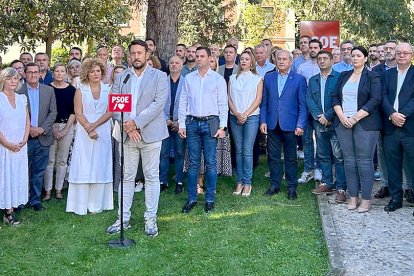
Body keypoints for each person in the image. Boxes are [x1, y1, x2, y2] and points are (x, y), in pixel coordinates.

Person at [107, 39, 168, 237]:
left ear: (147, 55)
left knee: (151, 177)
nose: (136, 56)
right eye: (133, 53)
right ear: (129, 56)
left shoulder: (159, 76)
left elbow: (158, 104)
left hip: (150, 134)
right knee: (126, 177)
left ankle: (150, 218)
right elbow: (116, 106)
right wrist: (127, 126)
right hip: (126, 135)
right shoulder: (122, 77)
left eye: (140, 53)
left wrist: (137, 123)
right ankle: (123, 218)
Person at [332, 46, 381, 213]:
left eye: (358, 55)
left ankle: (366, 200)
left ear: (365, 58)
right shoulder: (344, 75)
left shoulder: (372, 76)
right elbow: (334, 97)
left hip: (365, 124)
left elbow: (375, 99)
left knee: (365, 161)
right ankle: (353, 197)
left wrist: (354, 118)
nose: (354, 58)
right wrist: (342, 116)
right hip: (343, 122)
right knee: (349, 161)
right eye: (353, 55)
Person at [178, 46, 228, 213]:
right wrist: (182, 124)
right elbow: (183, 102)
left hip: (211, 123)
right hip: (192, 123)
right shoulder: (189, 78)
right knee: (193, 163)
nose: (198, 59)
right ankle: (192, 198)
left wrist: (223, 127)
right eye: (196, 56)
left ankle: (210, 199)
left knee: (211, 163)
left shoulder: (218, 79)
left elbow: (223, 104)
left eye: (202, 56)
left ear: (209, 58)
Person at [66, 59, 113, 215]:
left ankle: (97, 204)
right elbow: (78, 112)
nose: (95, 74)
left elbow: (110, 111)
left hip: (103, 129)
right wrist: (88, 127)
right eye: (92, 71)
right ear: (87, 72)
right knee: (84, 164)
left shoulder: (109, 89)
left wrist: (95, 125)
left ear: (102, 72)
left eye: (98, 71)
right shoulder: (81, 89)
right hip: (84, 130)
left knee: (100, 163)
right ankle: (80, 205)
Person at [260, 50, 307, 200]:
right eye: (279, 59)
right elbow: (264, 102)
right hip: (273, 123)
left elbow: (302, 104)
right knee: (273, 156)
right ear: (275, 60)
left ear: (290, 62)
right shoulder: (268, 77)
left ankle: (292, 187)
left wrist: (300, 124)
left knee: (291, 157)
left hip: (291, 124)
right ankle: (275, 185)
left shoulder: (299, 79)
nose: (281, 61)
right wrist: (263, 121)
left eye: (284, 59)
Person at [307, 50, 347, 203]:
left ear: (332, 60)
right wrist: (319, 116)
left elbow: (341, 99)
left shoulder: (340, 78)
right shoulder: (313, 80)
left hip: (335, 122)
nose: (322, 61)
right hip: (319, 123)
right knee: (323, 154)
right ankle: (327, 183)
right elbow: (309, 99)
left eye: (325, 58)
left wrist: (328, 116)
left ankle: (342, 188)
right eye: (320, 59)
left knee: (339, 156)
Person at [17, 63, 57, 211]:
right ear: (25, 74)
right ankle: (20, 200)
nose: (33, 75)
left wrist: (41, 129)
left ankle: (35, 201)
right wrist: (30, 130)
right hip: (24, 138)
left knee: (39, 171)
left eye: (36, 72)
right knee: (23, 170)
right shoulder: (18, 92)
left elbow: (53, 112)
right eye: (30, 72)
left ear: (40, 74)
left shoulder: (48, 91)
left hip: (43, 136)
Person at [381, 42, 414, 213]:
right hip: (390, 127)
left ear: (411, 55)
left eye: (405, 53)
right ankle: (396, 198)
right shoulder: (387, 74)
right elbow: (383, 96)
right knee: (393, 165)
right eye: (399, 52)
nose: (402, 55)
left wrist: (402, 115)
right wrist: (392, 114)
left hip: (410, 128)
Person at [228, 50, 263, 196]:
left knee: (247, 151)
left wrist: (245, 114)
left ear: (251, 62)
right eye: (241, 59)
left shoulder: (257, 78)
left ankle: (247, 183)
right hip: (234, 116)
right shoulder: (232, 78)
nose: (243, 61)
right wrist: (236, 113)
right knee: (238, 149)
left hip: (251, 117)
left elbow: (258, 99)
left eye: (247, 59)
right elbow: (228, 98)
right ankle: (240, 181)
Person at [0, 68, 30, 225]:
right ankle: (7, 212)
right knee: (4, 175)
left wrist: (24, 139)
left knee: (15, 175)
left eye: (15, 79)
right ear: (3, 80)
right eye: (9, 78)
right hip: (4, 144)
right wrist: (6, 143)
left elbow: (26, 119)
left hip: (19, 144)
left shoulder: (22, 98)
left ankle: (11, 208)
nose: (12, 81)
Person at [43, 63, 76, 201]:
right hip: (50, 127)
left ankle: (59, 189)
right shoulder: (46, 89)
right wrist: (52, 129)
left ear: (66, 73)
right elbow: (44, 111)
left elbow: (74, 112)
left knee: (62, 160)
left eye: (62, 71)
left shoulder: (71, 90)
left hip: (66, 126)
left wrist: (65, 129)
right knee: (50, 160)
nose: (60, 74)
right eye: (57, 71)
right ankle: (47, 191)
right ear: (53, 72)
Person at [372, 40, 397, 199]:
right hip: (382, 118)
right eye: (386, 48)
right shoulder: (376, 70)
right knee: (382, 154)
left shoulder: (408, 71)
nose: (388, 51)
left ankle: (407, 187)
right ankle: (386, 184)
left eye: (391, 48)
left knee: (404, 155)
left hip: (404, 118)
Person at [297, 39, 323, 183]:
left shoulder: (324, 66)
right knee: (306, 141)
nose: (313, 50)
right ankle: (307, 170)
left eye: (315, 47)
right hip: (305, 109)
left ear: (320, 49)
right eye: (311, 47)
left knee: (320, 140)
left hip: (320, 110)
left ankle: (318, 168)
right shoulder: (302, 67)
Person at [159, 56, 185, 194]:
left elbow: (189, 104)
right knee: (163, 153)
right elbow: (157, 102)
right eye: (171, 63)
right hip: (164, 122)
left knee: (180, 153)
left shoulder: (187, 82)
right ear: (168, 65)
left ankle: (179, 181)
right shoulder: (162, 81)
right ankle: (163, 181)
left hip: (179, 123)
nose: (174, 65)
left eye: (177, 63)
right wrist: (165, 119)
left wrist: (179, 121)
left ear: (182, 65)